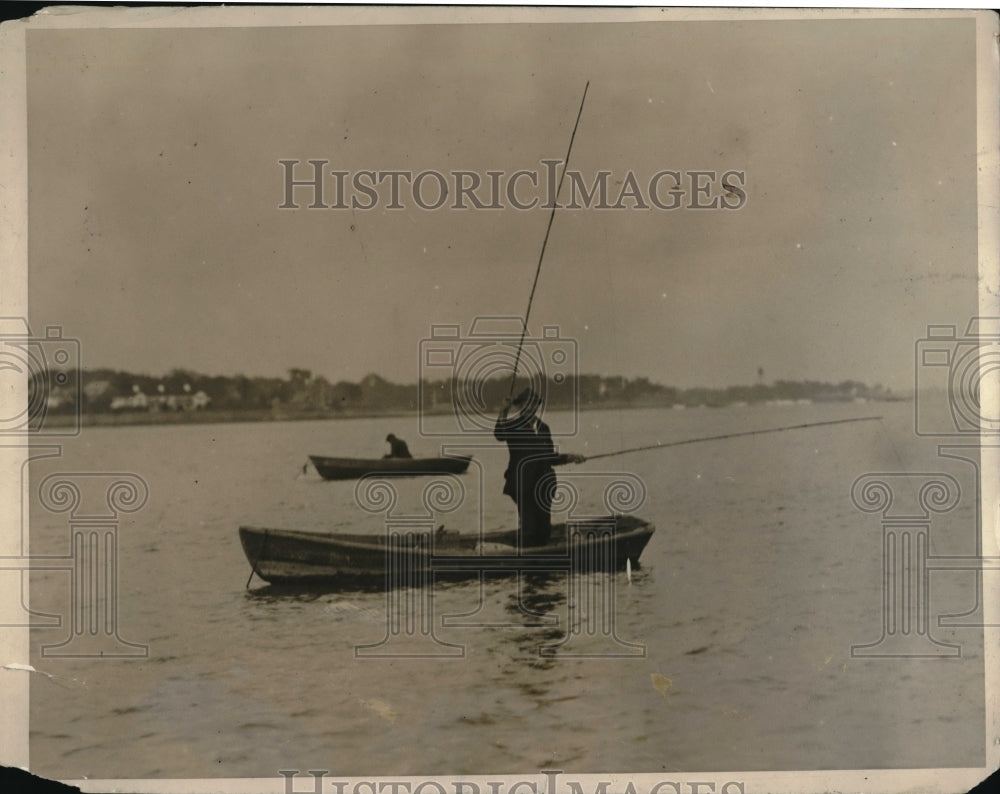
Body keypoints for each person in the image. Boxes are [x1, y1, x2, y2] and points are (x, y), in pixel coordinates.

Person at [494, 388, 585, 547]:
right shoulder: (513, 426)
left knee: (544, 528)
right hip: (523, 485)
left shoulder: (544, 428)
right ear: (520, 406)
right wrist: (503, 412)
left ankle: (543, 563)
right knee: (529, 528)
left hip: (544, 484)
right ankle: (527, 562)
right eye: (526, 404)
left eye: (534, 404)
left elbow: (549, 457)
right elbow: (499, 434)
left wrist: (570, 457)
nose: (530, 408)